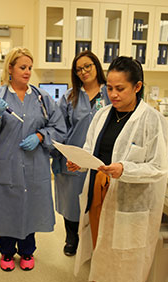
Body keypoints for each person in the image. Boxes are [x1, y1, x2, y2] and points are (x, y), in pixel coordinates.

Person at [68, 56, 168, 282]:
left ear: (137, 86)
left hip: (130, 203)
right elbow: (91, 150)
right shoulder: (102, 115)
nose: (113, 94)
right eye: (109, 88)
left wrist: (125, 170)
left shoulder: (151, 120)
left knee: (125, 262)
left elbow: (157, 167)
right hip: (98, 197)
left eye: (120, 88)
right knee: (101, 254)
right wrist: (79, 163)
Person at [0, 47, 66, 272]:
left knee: (30, 207)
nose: (27, 72)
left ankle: (27, 251)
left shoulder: (42, 98)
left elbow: (59, 127)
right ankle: (6, 252)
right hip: (7, 164)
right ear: (11, 69)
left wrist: (40, 135)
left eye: (29, 68)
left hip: (35, 165)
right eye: (22, 67)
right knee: (7, 207)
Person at [51, 50, 110, 256]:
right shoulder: (70, 97)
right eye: (78, 69)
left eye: (88, 66)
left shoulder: (110, 94)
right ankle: (71, 239)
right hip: (74, 158)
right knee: (72, 202)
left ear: (97, 66)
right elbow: (59, 127)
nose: (83, 71)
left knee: (98, 203)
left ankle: (94, 242)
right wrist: (63, 153)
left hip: (102, 159)